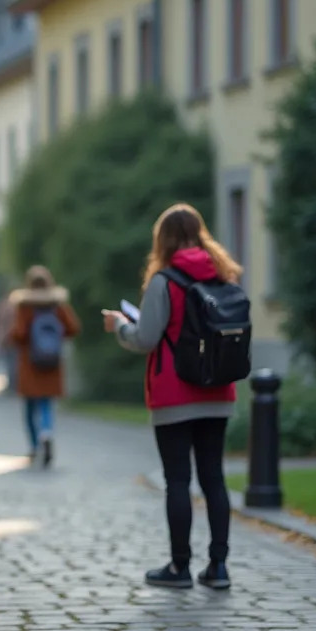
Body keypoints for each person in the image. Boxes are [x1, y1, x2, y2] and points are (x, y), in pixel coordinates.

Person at [101, 203, 240, 591]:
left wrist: (120, 326)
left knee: (178, 480)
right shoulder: (225, 277)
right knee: (214, 478)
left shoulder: (165, 281)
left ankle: (179, 568)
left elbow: (146, 338)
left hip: (175, 394)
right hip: (218, 390)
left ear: (162, 240)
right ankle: (219, 566)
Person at [8, 265, 80, 467]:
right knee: (46, 404)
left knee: (30, 408)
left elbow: (19, 334)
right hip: (52, 364)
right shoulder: (57, 305)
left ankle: (34, 446)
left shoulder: (24, 306)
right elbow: (73, 328)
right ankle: (46, 433)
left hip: (29, 364)